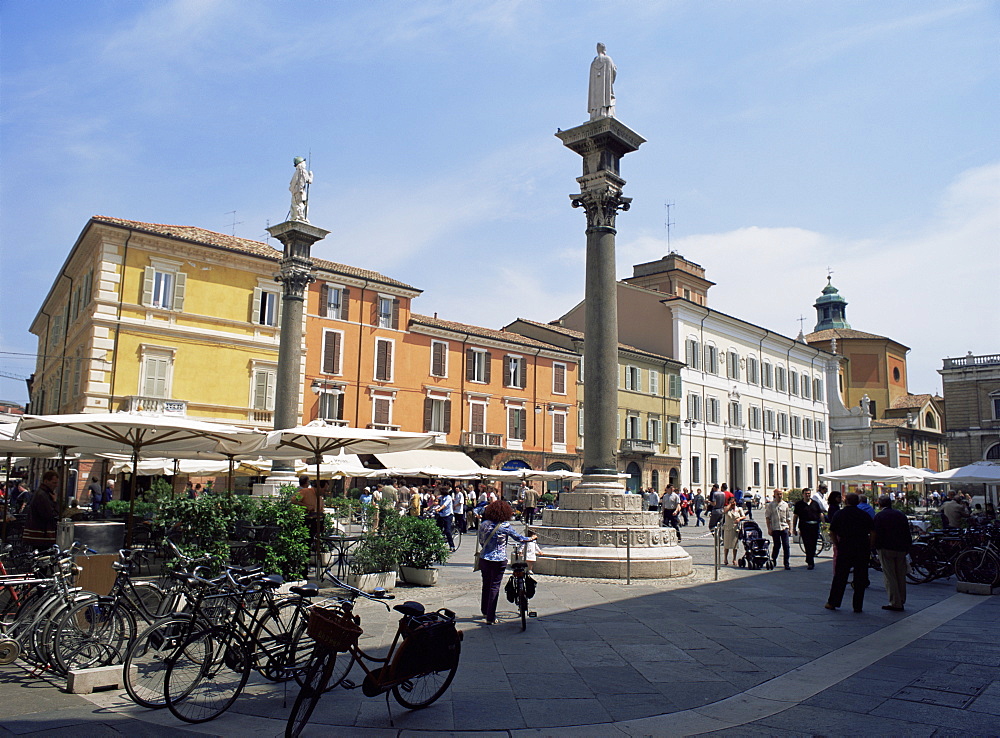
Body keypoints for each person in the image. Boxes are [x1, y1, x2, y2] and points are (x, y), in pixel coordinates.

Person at [477, 500, 536, 625]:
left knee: (486, 584)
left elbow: (481, 541)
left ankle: (485, 611)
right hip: (498, 559)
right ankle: (490, 617)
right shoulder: (505, 526)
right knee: (494, 586)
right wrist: (531, 538)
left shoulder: (484, 524)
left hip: (484, 558)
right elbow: (519, 538)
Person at [825, 493, 876, 613]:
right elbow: (873, 531)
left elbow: (832, 531)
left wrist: (837, 543)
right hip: (861, 546)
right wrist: (870, 545)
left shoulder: (840, 514)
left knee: (840, 576)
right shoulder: (863, 514)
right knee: (860, 577)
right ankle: (857, 605)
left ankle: (833, 602)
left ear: (846, 501)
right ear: (858, 502)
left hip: (845, 545)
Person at [874, 494, 911, 612]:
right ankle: (901, 599)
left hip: (886, 548)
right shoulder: (900, 515)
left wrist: (876, 547)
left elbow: (877, 533)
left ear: (880, 504)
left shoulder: (879, 516)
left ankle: (895, 602)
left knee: (890, 576)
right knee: (900, 575)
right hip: (901, 548)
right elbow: (907, 532)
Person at [23, 471, 60, 547]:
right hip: (41, 536)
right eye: (54, 483)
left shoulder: (42, 493)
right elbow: (50, 515)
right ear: (46, 481)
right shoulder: (42, 495)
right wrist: (55, 502)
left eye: (56, 483)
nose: (56, 485)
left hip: (39, 535)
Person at [793, 488, 824, 570]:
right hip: (804, 526)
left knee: (813, 544)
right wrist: (793, 528)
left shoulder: (815, 503)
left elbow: (820, 513)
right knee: (807, 544)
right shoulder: (799, 504)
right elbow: (795, 516)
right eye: (806, 493)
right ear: (803, 494)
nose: (808, 495)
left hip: (814, 526)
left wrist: (823, 523)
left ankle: (809, 558)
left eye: (809, 493)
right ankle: (811, 562)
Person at [588, 42, 616, 120]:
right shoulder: (608, 59)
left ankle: (595, 112)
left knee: (596, 97)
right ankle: (605, 111)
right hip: (605, 86)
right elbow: (613, 73)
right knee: (607, 97)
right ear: (604, 50)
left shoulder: (593, 63)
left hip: (596, 89)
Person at [764, 489, 791, 570]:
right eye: (778, 494)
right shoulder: (771, 505)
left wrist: (790, 528)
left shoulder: (785, 504)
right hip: (775, 528)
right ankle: (774, 560)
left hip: (784, 527)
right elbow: (768, 517)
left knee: (786, 546)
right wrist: (769, 529)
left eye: (780, 494)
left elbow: (788, 517)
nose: (780, 496)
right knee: (777, 545)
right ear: (774, 495)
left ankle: (786, 563)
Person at [431, 487, 456, 552]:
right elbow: (435, 502)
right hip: (441, 515)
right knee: (437, 528)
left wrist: (439, 509)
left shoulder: (448, 498)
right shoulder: (441, 497)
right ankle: (437, 545)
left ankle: (452, 546)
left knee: (447, 530)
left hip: (448, 515)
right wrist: (429, 507)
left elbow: (444, 505)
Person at [722, 500, 745, 566]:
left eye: (734, 502)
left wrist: (739, 519)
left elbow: (744, 516)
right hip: (727, 528)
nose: (733, 503)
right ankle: (725, 559)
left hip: (735, 529)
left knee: (735, 545)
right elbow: (724, 511)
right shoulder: (727, 509)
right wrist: (729, 505)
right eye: (731, 502)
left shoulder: (739, 509)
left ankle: (734, 559)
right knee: (726, 545)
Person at [289, 156, 313, 221]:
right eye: (304, 163)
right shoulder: (303, 171)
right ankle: (301, 217)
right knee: (302, 205)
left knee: (295, 205)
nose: (305, 164)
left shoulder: (296, 173)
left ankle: (296, 216)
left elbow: (291, 185)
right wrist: (311, 174)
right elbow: (309, 181)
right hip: (301, 192)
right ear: (301, 163)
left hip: (295, 193)